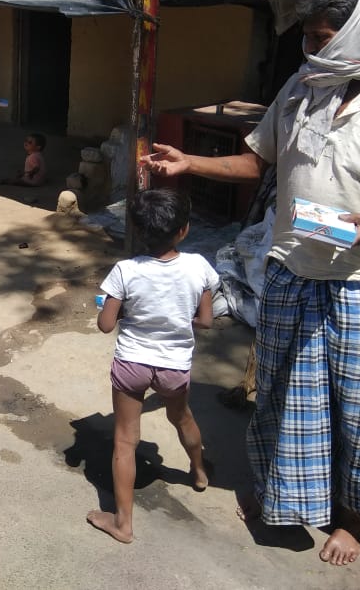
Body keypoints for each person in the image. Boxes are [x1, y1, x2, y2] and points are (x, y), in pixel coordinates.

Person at [142, 0, 360, 566]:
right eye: (307, 38)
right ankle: (284, 497)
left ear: (359, 34)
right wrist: (189, 162)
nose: (311, 50)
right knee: (286, 389)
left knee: (357, 401)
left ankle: (353, 520)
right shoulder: (300, 88)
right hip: (291, 265)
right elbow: (256, 161)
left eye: (322, 37)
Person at [86, 188, 219, 544]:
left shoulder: (125, 271)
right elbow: (205, 321)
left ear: (139, 230)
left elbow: (105, 324)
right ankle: (199, 472)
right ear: (184, 230)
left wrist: (123, 308)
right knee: (183, 418)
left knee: (125, 441)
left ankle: (123, 524)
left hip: (132, 362)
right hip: (174, 366)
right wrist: (177, 318)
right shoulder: (199, 267)